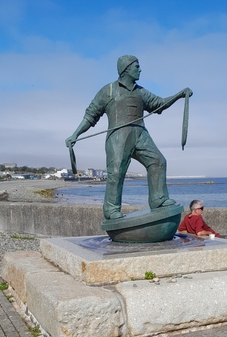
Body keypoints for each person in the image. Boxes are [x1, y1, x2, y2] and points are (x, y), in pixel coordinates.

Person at [65, 55, 193, 220]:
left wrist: (179, 95)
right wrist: (75, 134)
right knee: (116, 172)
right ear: (126, 69)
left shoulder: (141, 92)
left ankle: (158, 199)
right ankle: (111, 210)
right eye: (136, 66)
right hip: (118, 137)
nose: (140, 69)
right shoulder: (108, 90)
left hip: (140, 134)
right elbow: (91, 115)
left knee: (158, 161)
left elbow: (159, 104)